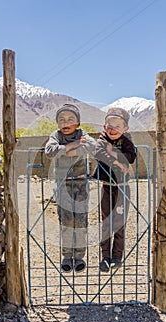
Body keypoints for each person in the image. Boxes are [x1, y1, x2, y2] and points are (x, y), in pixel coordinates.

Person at [45, 104, 95, 273]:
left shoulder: (83, 134)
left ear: (78, 123)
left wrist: (71, 150)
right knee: (66, 221)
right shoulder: (55, 136)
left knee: (80, 221)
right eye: (61, 120)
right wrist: (71, 146)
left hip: (81, 184)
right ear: (57, 123)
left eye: (70, 119)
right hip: (63, 184)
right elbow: (50, 151)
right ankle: (67, 256)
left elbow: (92, 146)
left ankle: (79, 257)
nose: (65, 123)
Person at [93, 107, 136, 272]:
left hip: (122, 188)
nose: (113, 129)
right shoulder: (102, 138)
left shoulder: (127, 139)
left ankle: (117, 256)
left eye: (118, 126)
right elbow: (99, 152)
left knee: (119, 223)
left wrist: (111, 151)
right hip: (107, 187)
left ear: (125, 128)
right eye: (109, 125)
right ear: (104, 127)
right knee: (105, 222)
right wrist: (118, 161)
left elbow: (131, 157)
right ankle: (105, 256)